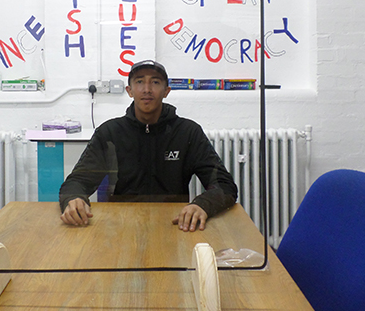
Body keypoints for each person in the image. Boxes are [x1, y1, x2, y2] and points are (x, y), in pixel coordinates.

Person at [59, 59, 238, 232]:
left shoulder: (188, 132)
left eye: (155, 82)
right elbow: (76, 182)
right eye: (139, 82)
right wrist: (74, 199)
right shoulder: (110, 133)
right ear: (129, 90)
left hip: (176, 224)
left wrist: (202, 205)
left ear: (166, 90)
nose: (147, 89)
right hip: (120, 225)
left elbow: (224, 185)